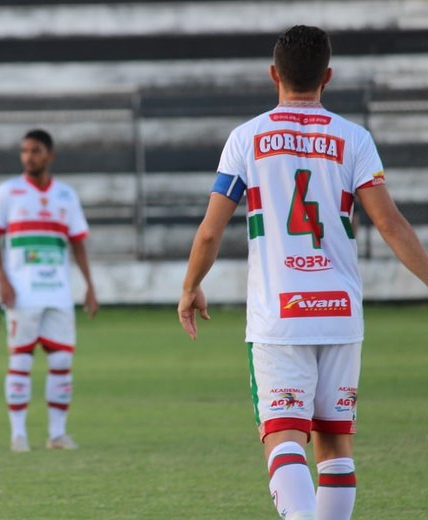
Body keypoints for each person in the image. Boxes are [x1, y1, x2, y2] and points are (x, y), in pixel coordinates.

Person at [177, 25, 428, 520]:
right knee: (335, 444)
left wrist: (190, 288)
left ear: (274, 74)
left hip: (280, 312)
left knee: (283, 435)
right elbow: (392, 225)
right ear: (327, 77)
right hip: (339, 311)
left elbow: (209, 232)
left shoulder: (246, 138)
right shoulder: (354, 139)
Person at [0, 129, 98, 453]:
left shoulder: (66, 195)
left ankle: (57, 434)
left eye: (35, 151)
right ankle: (18, 435)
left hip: (59, 292)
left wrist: (89, 285)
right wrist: (3, 279)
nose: (28, 157)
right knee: (20, 361)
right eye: (24, 151)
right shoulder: (8, 191)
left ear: (50, 155)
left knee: (61, 361)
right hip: (22, 292)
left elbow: (77, 242)